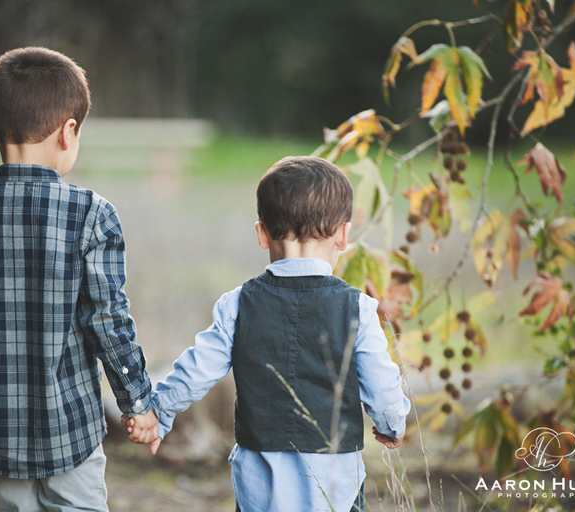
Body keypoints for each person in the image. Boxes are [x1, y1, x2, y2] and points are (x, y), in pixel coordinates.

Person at [0, 46, 157, 511]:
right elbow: (108, 321)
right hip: (70, 430)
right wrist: (138, 401)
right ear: (69, 132)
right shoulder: (92, 214)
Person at [126, 156, 411, 511]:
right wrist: (392, 423)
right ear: (343, 234)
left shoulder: (238, 304)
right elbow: (382, 385)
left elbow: (197, 369)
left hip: (260, 485)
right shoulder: (359, 309)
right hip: (335, 485)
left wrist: (158, 411)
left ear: (261, 233)